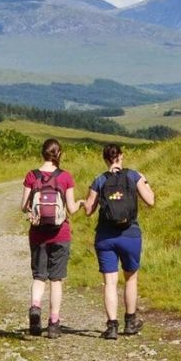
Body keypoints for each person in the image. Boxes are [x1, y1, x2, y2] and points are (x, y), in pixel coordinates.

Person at [83, 144, 155, 340]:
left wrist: (84, 202)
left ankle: (112, 326)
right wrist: (145, 182)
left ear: (105, 159)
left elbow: (88, 210)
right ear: (121, 156)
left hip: (106, 237)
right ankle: (130, 321)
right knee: (130, 278)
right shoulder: (133, 176)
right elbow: (150, 200)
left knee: (110, 283)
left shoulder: (99, 180)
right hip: (130, 235)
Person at [20, 138, 83, 339]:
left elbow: (24, 206)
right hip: (60, 234)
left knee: (39, 276)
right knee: (56, 279)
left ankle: (35, 307)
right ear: (59, 154)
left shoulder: (32, 175)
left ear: (42, 153)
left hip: (38, 234)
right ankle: (54, 324)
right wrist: (81, 203)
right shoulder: (65, 177)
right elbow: (71, 209)